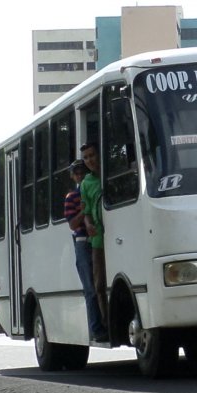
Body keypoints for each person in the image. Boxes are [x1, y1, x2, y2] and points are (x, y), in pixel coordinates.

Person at [64, 159, 109, 342]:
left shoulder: (95, 186)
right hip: (83, 242)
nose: (80, 176)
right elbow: (73, 224)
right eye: (76, 173)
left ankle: (106, 323)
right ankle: (96, 329)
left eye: (83, 172)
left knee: (102, 284)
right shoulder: (71, 197)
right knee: (90, 288)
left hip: (98, 239)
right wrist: (84, 211)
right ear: (73, 177)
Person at [80, 142, 108, 335]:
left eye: (92, 155)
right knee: (99, 284)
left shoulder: (110, 173)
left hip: (119, 235)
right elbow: (86, 210)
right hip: (98, 241)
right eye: (86, 157)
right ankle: (106, 324)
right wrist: (88, 224)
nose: (90, 160)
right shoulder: (86, 183)